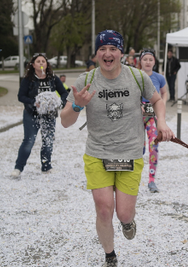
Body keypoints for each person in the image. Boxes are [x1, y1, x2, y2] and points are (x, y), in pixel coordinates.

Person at [60, 30, 174, 267]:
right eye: (103, 49)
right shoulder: (85, 80)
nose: (108, 53)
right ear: (96, 53)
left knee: (123, 213)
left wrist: (161, 122)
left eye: (113, 49)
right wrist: (78, 106)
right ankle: (110, 255)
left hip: (130, 154)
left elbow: (157, 101)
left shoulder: (137, 77)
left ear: (121, 53)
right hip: (97, 154)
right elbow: (65, 120)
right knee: (103, 209)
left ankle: (127, 222)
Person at [11, 54, 68, 177]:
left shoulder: (52, 78)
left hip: (49, 115)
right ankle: (18, 168)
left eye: (43, 61)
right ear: (33, 65)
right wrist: (33, 102)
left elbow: (64, 93)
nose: (41, 63)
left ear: (47, 64)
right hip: (32, 113)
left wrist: (59, 102)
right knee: (28, 141)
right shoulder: (28, 79)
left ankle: (46, 166)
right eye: (38, 61)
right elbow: (21, 96)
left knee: (48, 141)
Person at [139, 49, 168, 193]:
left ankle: (151, 180)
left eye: (150, 59)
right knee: (139, 148)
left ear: (154, 62)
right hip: (136, 117)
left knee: (154, 146)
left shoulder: (159, 78)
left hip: (152, 117)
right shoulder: (135, 76)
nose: (148, 62)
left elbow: (164, 92)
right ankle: (131, 177)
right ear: (140, 61)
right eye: (145, 59)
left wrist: (161, 105)